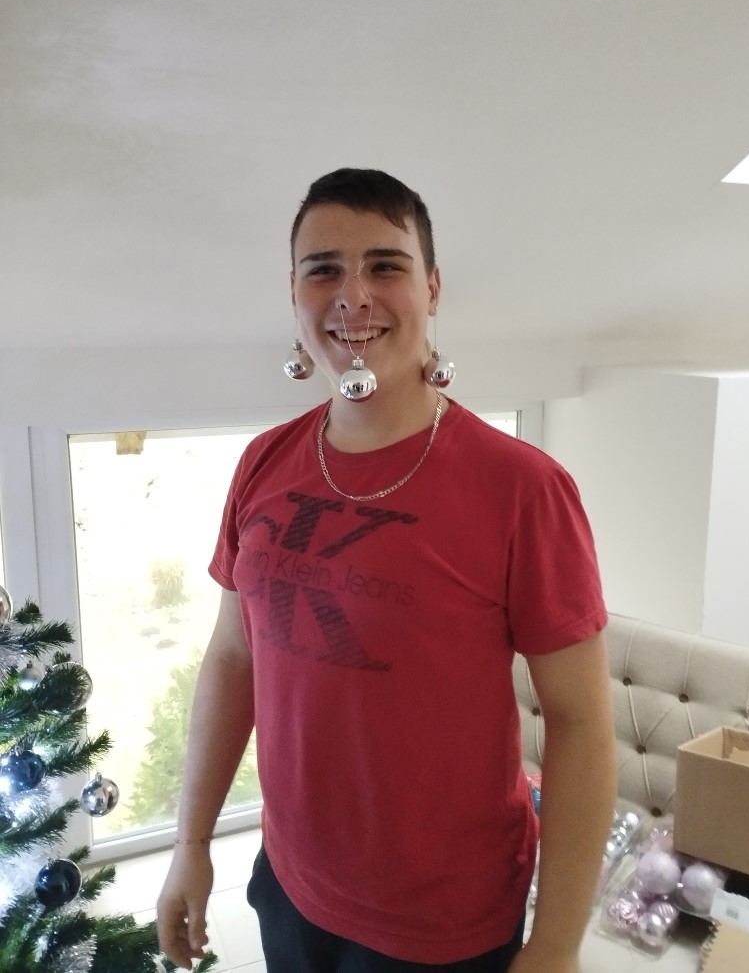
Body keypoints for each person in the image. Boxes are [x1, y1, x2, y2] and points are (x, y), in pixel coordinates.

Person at [157, 168, 617, 973]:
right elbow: (233, 658)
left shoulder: (524, 489)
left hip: (445, 926)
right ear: (293, 293)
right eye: (323, 269)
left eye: (385, 266)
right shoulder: (263, 463)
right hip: (289, 887)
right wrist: (191, 842)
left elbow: (580, 723)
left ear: (431, 287)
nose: (353, 296)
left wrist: (555, 945)